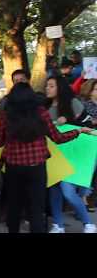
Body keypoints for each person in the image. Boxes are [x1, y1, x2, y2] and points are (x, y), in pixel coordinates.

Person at [0, 82, 89, 233]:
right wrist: (77, 132)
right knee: (36, 210)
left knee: (14, 208)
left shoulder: (5, 115)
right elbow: (57, 138)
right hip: (37, 168)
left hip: (13, 168)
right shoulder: (41, 112)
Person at [45, 76, 97, 233]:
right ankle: (58, 225)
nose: (47, 88)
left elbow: (87, 125)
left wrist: (68, 121)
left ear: (59, 88)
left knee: (67, 192)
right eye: (47, 85)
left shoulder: (73, 103)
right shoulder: (44, 107)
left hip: (72, 155)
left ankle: (88, 224)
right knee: (54, 192)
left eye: (51, 86)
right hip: (52, 155)